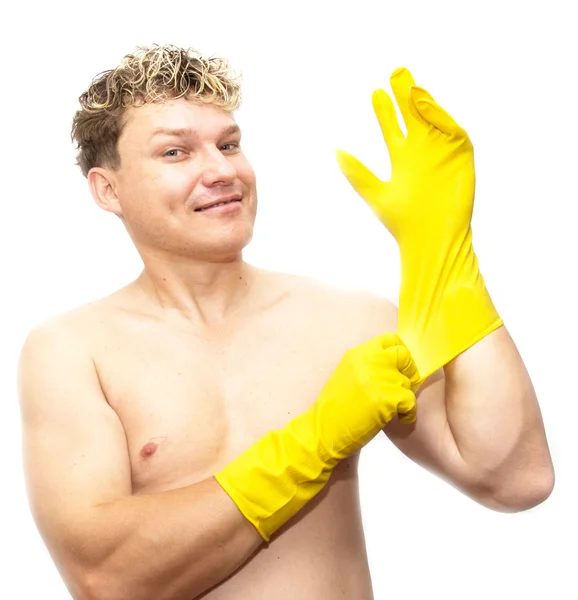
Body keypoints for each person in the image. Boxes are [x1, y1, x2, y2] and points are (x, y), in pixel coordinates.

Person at [17, 44, 554, 600]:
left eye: (229, 144)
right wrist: (314, 440)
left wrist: (445, 249)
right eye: (176, 153)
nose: (221, 170)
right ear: (109, 189)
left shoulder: (351, 319)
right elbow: (105, 579)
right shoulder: (74, 351)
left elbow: (516, 477)